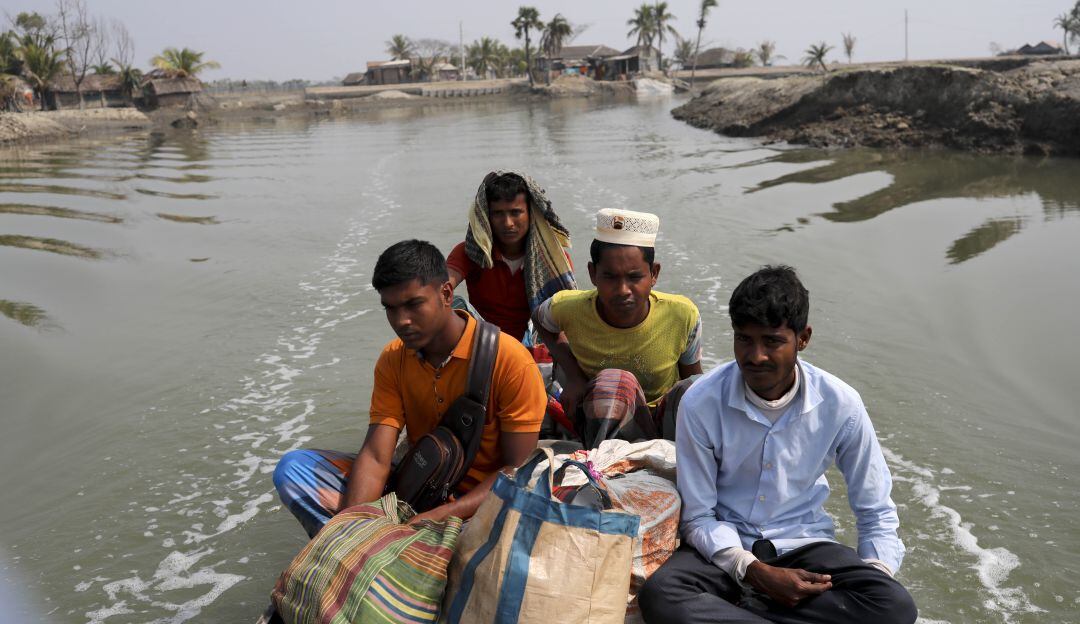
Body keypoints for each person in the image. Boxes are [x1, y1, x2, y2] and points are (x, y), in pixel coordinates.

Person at [638, 266, 917, 624]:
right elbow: (700, 516)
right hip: (726, 550)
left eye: (772, 341)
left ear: (803, 338)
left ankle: (744, 610)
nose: (756, 356)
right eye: (744, 339)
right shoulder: (701, 401)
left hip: (805, 544)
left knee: (893, 607)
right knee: (662, 596)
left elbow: (875, 510)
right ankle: (766, 605)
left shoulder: (841, 404)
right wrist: (753, 571)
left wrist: (873, 576)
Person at [273, 240, 547, 537]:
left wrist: (443, 515)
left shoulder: (509, 360)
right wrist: (352, 527)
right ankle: (361, 545)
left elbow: (517, 471)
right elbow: (377, 456)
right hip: (418, 489)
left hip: (480, 506)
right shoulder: (393, 359)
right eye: (391, 309)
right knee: (293, 471)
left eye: (414, 305)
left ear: (445, 293)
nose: (401, 321)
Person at [533, 208, 703, 447]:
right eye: (610, 277)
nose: (623, 290)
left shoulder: (682, 314)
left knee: (696, 388)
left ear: (653, 274)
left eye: (634, 277)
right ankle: (609, 470)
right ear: (593, 274)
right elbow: (540, 319)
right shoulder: (569, 307)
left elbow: (693, 378)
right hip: (605, 422)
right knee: (614, 382)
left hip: (663, 424)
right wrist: (574, 376)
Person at [446, 171, 576, 342]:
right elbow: (441, 287)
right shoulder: (471, 252)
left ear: (531, 214)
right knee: (453, 302)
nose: (508, 223)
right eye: (498, 214)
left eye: (515, 212)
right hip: (484, 341)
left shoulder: (554, 260)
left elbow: (568, 314)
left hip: (535, 342)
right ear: (486, 217)